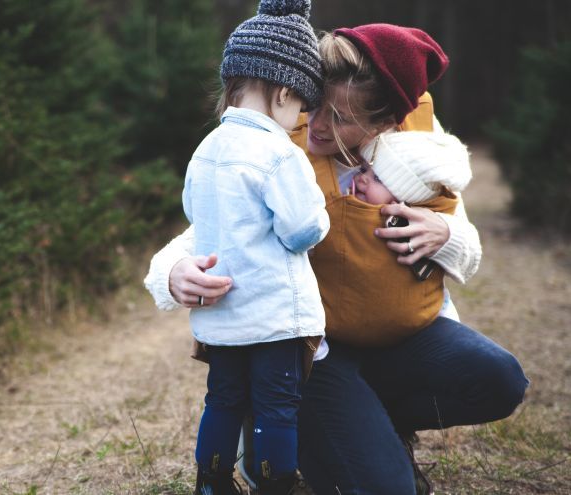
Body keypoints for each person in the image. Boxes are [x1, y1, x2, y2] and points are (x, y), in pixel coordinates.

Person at [145, 23, 529, 495]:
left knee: (500, 380)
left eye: (342, 117)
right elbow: (209, 226)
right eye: (316, 105)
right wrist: (171, 273)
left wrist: (445, 233)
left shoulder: (417, 149)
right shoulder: (278, 140)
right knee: (388, 489)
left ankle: (362, 425)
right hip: (313, 351)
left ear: (386, 120)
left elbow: (467, 250)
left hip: (401, 338)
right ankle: (279, 419)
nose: (320, 125)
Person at [183, 1, 329, 493]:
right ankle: (276, 482)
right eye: (301, 109)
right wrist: (321, 211)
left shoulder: (206, 149)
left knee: (222, 399)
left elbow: (193, 210)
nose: (299, 121)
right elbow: (301, 229)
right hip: (272, 316)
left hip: (222, 315)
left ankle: (211, 481)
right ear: (285, 93)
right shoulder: (278, 152)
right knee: (275, 406)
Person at [313, 130, 473, 346]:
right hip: (340, 330)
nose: (361, 179)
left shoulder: (418, 219)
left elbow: (468, 261)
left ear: (405, 198)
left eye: (377, 178)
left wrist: (448, 233)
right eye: (364, 170)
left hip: (418, 325)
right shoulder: (334, 195)